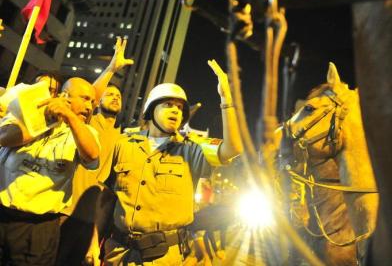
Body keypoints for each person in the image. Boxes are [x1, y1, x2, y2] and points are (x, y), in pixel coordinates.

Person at [104, 59, 243, 265]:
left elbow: (233, 149)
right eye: (168, 105)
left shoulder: (191, 149)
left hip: (164, 257)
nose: (176, 110)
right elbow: (106, 197)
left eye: (179, 108)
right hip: (118, 252)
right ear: (151, 110)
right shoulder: (125, 143)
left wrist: (226, 99)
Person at [0, 77, 100, 265]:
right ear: (64, 96)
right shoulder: (29, 113)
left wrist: (70, 117)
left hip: (39, 229)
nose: (90, 106)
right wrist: (46, 119)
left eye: (93, 102)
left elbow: (92, 155)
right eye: (85, 98)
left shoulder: (84, 132)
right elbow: (4, 138)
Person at [56, 38, 133, 266]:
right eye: (109, 95)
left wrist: (96, 236)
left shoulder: (123, 137)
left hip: (90, 221)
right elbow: (91, 96)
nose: (115, 97)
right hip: (63, 211)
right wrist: (111, 69)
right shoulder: (89, 124)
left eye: (118, 96)